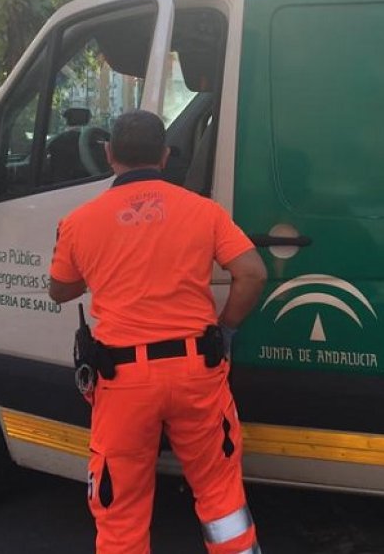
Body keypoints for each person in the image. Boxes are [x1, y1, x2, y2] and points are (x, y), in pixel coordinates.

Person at [47, 110, 267, 554]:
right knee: (221, 497)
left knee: (120, 509)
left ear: (109, 155)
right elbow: (252, 273)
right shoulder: (203, 211)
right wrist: (224, 330)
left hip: (122, 380)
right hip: (196, 370)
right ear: (165, 156)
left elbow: (61, 290)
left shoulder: (80, 221)